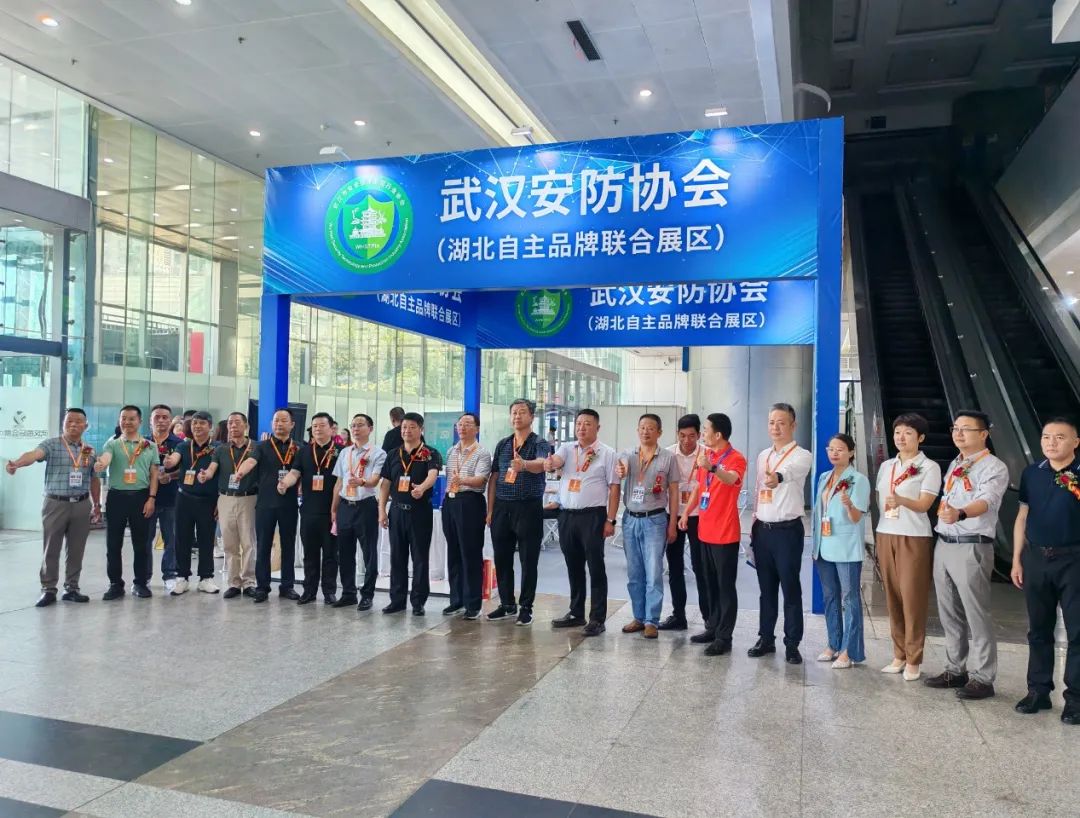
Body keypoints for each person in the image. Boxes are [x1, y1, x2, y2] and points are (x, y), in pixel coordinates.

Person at [924, 410, 1009, 700]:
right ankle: (955, 669)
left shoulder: (994, 467)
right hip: (944, 542)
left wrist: (960, 513)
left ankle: (983, 677)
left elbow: (987, 501)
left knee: (976, 613)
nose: (958, 434)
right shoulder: (956, 463)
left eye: (966, 429)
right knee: (949, 612)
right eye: (955, 428)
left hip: (972, 545)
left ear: (984, 434)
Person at [1011, 417, 1080, 724]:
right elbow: (1022, 516)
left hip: (1074, 559)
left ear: (1075, 442)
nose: (1052, 442)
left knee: (1078, 632)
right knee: (1038, 629)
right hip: (1037, 558)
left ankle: (1075, 698)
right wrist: (1017, 558)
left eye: (1060, 437)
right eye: (1046, 436)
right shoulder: (1032, 473)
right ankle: (1038, 690)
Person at [5, 407, 101, 607]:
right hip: (55, 503)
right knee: (51, 548)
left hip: (81, 504)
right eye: (69, 421)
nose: (73, 425)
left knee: (76, 549)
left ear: (86, 426)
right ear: (63, 423)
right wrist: (17, 464)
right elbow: (34, 454)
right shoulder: (52, 444)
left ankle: (72, 588)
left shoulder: (90, 451)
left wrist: (97, 504)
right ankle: (48, 589)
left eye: (78, 421)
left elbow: (94, 479)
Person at [875, 413, 942, 681]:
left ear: (920, 437)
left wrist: (902, 500)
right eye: (897, 432)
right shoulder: (886, 466)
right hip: (885, 533)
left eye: (908, 433)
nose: (901, 438)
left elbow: (925, 504)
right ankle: (899, 654)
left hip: (913, 536)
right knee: (892, 597)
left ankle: (914, 659)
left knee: (912, 599)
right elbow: (880, 500)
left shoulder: (929, 467)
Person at [748, 402, 813, 664]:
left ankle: (792, 643)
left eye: (781, 423)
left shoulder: (802, 455)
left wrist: (777, 477)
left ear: (793, 425)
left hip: (787, 532)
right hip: (763, 530)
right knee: (766, 590)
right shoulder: (763, 455)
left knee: (790, 588)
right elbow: (758, 491)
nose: (775, 427)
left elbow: (787, 473)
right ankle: (766, 638)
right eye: (771, 422)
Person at [546, 408, 620, 637]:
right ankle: (576, 612)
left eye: (587, 424)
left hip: (593, 516)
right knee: (573, 565)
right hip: (567, 515)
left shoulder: (607, 453)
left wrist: (610, 519)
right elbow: (556, 461)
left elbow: (614, 488)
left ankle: (597, 618)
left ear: (597, 427)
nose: (581, 428)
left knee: (596, 567)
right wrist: (550, 462)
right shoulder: (567, 448)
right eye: (579, 423)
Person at [679, 413, 746, 656]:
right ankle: (712, 627)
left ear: (718, 434)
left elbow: (731, 479)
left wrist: (713, 468)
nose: (703, 434)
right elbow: (699, 488)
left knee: (725, 586)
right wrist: (686, 513)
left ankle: (724, 637)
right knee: (709, 584)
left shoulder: (736, 458)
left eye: (706, 430)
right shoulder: (707, 456)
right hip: (704, 531)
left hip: (725, 534)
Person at [486, 399, 552, 626]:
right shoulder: (503, 444)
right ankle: (507, 604)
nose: (517, 416)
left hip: (528, 507)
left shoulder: (539, 442)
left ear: (531, 417)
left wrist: (524, 464)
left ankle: (526, 607)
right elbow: (494, 477)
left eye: (522, 412)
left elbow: (543, 463)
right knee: (502, 558)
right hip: (502, 507)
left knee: (528, 559)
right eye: (514, 412)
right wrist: (490, 509)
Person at [616, 414, 679, 639]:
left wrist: (672, 524)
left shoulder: (668, 458)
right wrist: (622, 472)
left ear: (659, 432)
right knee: (634, 572)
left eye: (651, 428)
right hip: (630, 519)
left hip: (655, 520)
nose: (645, 431)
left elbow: (674, 492)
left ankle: (652, 620)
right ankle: (638, 616)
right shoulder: (628, 455)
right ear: (637, 430)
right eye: (642, 427)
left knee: (653, 572)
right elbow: (621, 470)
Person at [812, 434, 870, 669]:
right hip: (823, 544)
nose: (834, 453)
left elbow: (856, 518)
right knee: (830, 596)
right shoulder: (824, 477)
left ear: (851, 452)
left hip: (846, 547)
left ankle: (849, 650)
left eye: (840, 449)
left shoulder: (858, 480)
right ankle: (833, 643)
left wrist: (849, 505)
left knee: (849, 598)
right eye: (831, 449)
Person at [378, 412, 443, 615]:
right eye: (404, 427)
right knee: (397, 557)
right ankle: (397, 600)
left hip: (419, 512)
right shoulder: (393, 454)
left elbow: (433, 474)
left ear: (421, 429)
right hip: (397, 511)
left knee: (420, 558)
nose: (407, 431)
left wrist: (422, 488)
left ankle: (418, 602)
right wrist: (382, 510)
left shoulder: (430, 453)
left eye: (412, 427)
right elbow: (385, 484)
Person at [235, 407, 301, 603]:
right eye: (276, 420)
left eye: (283, 420)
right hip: (265, 503)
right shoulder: (262, 446)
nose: (279, 424)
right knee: (263, 545)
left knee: (288, 545)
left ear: (292, 424)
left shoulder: (299, 448)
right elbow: (250, 462)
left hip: (289, 504)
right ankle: (262, 587)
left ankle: (287, 586)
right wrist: (240, 472)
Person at [94, 405, 159, 599]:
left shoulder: (150, 446)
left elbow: (154, 474)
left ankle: (140, 583)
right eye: (123, 418)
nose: (127, 422)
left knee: (141, 544)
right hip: (117, 498)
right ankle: (115, 584)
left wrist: (151, 498)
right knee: (113, 544)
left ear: (139, 421)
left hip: (141, 497)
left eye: (131, 419)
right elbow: (106, 458)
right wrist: (101, 463)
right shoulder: (113, 444)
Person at [280, 412, 340, 605]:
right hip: (308, 511)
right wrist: (285, 483)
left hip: (332, 511)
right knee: (310, 554)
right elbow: (294, 473)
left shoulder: (341, 452)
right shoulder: (304, 451)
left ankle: (329, 592)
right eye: (314, 426)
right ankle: (309, 591)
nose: (318, 429)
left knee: (331, 555)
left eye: (322, 425)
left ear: (331, 428)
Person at [331, 413, 386, 610]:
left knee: (369, 553)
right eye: (353, 425)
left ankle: (367, 595)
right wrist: (334, 509)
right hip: (345, 506)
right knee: (345, 552)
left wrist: (362, 481)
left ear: (370, 429)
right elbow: (339, 482)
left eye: (360, 425)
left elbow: (375, 480)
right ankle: (348, 593)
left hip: (366, 506)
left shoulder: (378, 453)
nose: (355, 429)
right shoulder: (345, 453)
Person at [662, 414, 711, 631]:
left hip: (698, 516)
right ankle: (678, 616)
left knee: (701, 567)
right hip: (672, 514)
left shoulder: (706, 454)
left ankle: (708, 617)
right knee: (674, 567)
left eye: (691, 436)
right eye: (682, 436)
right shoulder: (668, 454)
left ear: (699, 435)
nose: (686, 441)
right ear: (677, 434)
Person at [442, 412, 492, 620]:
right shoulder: (451, 451)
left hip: (470, 502)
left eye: (468, 424)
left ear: (477, 429)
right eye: (460, 424)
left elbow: (481, 480)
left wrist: (461, 480)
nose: (462, 428)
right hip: (450, 501)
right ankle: (456, 600)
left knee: (470, 553)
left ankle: (473, 603)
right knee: (453, 552)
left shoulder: (482, 452)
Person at [164, 410, 220, 595]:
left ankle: (206, 578)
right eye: (194, 423)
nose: (197, 426)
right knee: (182, 538)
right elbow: (174, 460)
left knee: (206, 539)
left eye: (202, 423)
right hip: (184, 498)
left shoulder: (218, 448)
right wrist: (169, 462)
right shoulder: (183, 446)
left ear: (210, 427)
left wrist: (220, 501)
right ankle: (182, 577)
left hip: (208, 500)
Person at [203, 412, 258, 597]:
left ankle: (249, 582)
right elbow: (212, 468)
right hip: (226, 498)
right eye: (230, 423)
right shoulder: (221, 449)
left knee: (248, 542)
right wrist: (206, 475)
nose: (233, 426)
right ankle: (233, 582)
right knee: (229, 542)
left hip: (249, 498)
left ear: (246, 426)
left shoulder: (256, 447)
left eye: (237, 422)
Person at [147, 404, 182, 591]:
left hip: (171, 498)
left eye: (165, 417)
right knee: (145, 539)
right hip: (146, 499)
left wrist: (170, 476)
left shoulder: (179, 444)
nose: (161, 421)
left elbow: (186, 469)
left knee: (171, 539)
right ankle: (144, 577)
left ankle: (170, 574)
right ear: (150, 421)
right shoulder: (142, 443)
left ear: (170, 420)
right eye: (157, 417)